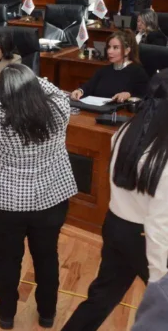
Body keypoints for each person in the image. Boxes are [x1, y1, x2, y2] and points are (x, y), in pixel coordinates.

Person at [64, 72, 168, 330]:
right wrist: (159, 280)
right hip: (146, 237)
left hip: (115, 225)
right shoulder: (162, 153)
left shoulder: (124, 131)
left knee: (101, 298)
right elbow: (159, 224)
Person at [0, 64, 77, 330]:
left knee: (8, 257)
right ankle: (47, 314)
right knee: (47, 256)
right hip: (51, 198)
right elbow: (56, 91)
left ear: (4, 94)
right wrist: (32, 81)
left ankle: (6, 314)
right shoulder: (59, 109)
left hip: (6, 201)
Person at [70, 31, 149, 102]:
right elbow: (88, 87)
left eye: (115, 47)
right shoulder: (103, 71)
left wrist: (129, 95)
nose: (109, 51)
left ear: (127, 51)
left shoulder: (138, 73)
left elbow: (144, 96)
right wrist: (80, 91)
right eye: (109, 47)